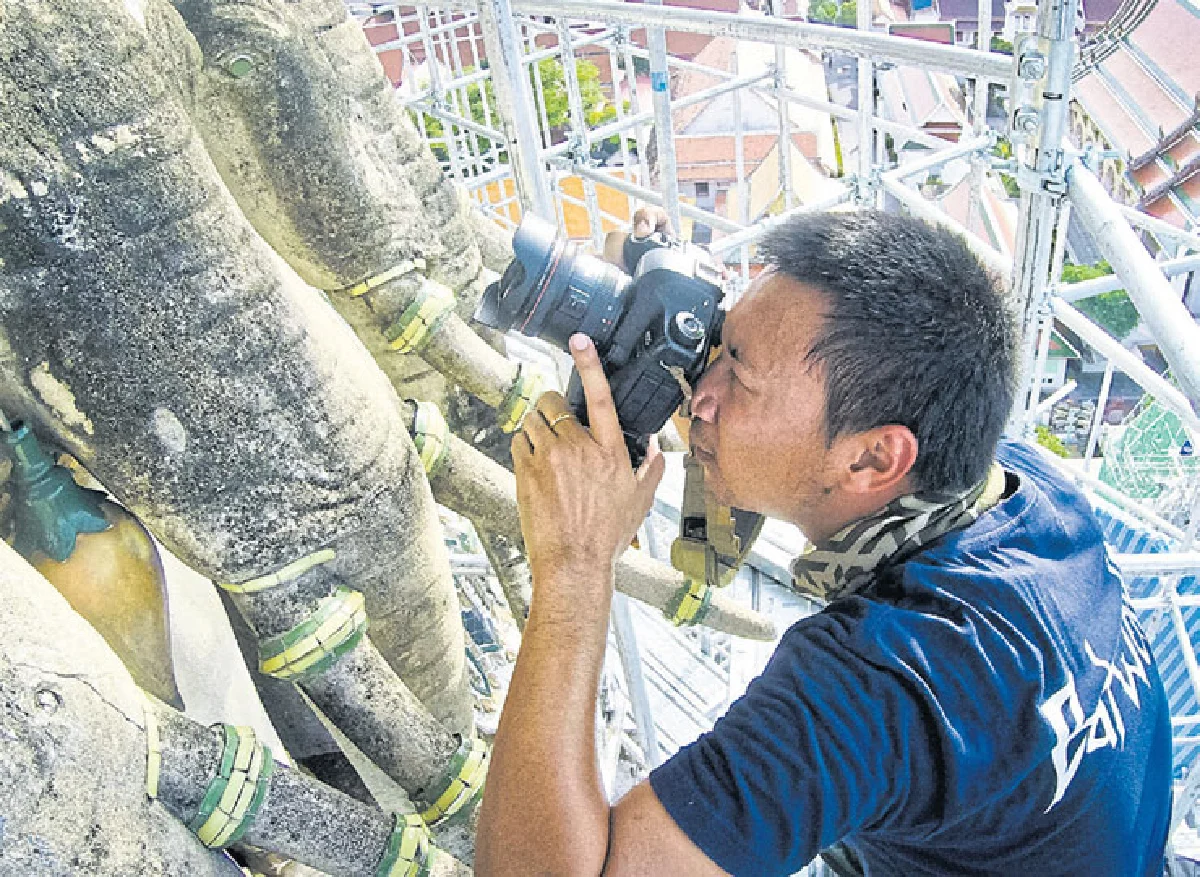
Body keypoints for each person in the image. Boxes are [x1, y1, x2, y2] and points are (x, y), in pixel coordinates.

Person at [475, 209, 1173, 876]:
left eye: (737, 375)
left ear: (872, 461)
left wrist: (573, 564)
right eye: (718, 341)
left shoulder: (879, 688)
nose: (697, 395)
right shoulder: (1032, 487)